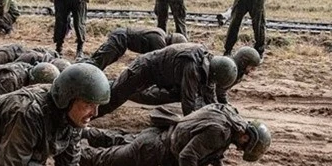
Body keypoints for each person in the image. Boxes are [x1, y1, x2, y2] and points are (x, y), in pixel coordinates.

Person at [80, 104, 271, 166]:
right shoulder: (220, 133)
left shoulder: (228, 113)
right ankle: (67, 151)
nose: (239, 149)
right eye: (243, 147)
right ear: (245, 136)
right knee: (106, 162)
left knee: (119, 140)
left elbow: (207, 143)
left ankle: (84, 132)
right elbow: (188, 156)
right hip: (154, 150)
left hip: (160, 132)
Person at [97, 43, 238, 118]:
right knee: (116, 97)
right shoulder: (193, 67)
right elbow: (188, 102)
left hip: (158, 76)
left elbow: (209, 92)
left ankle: (105, 86)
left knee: (125, 91)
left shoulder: (208, 61)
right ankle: (85, 115)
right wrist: (193, 123)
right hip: (144, 69)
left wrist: (220, 112)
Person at [129, 46, 261, 106]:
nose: (253, 71)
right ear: (244, 62)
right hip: (172, 76)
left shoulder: (231, 71)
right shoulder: (226, 69)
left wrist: (220, 108)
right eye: (252, 67)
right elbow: (202, 93)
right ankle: (120, 89)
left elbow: (211, 90)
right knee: (152, 95)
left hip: (189, 83)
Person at [89, 27, 188, 70]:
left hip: (121, 37)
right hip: (121, 38)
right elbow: (157, 63)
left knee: (101, 59)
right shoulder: (159, 42)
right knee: (100, 62)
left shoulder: (160, 33)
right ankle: (84, 74)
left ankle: (85, 67)